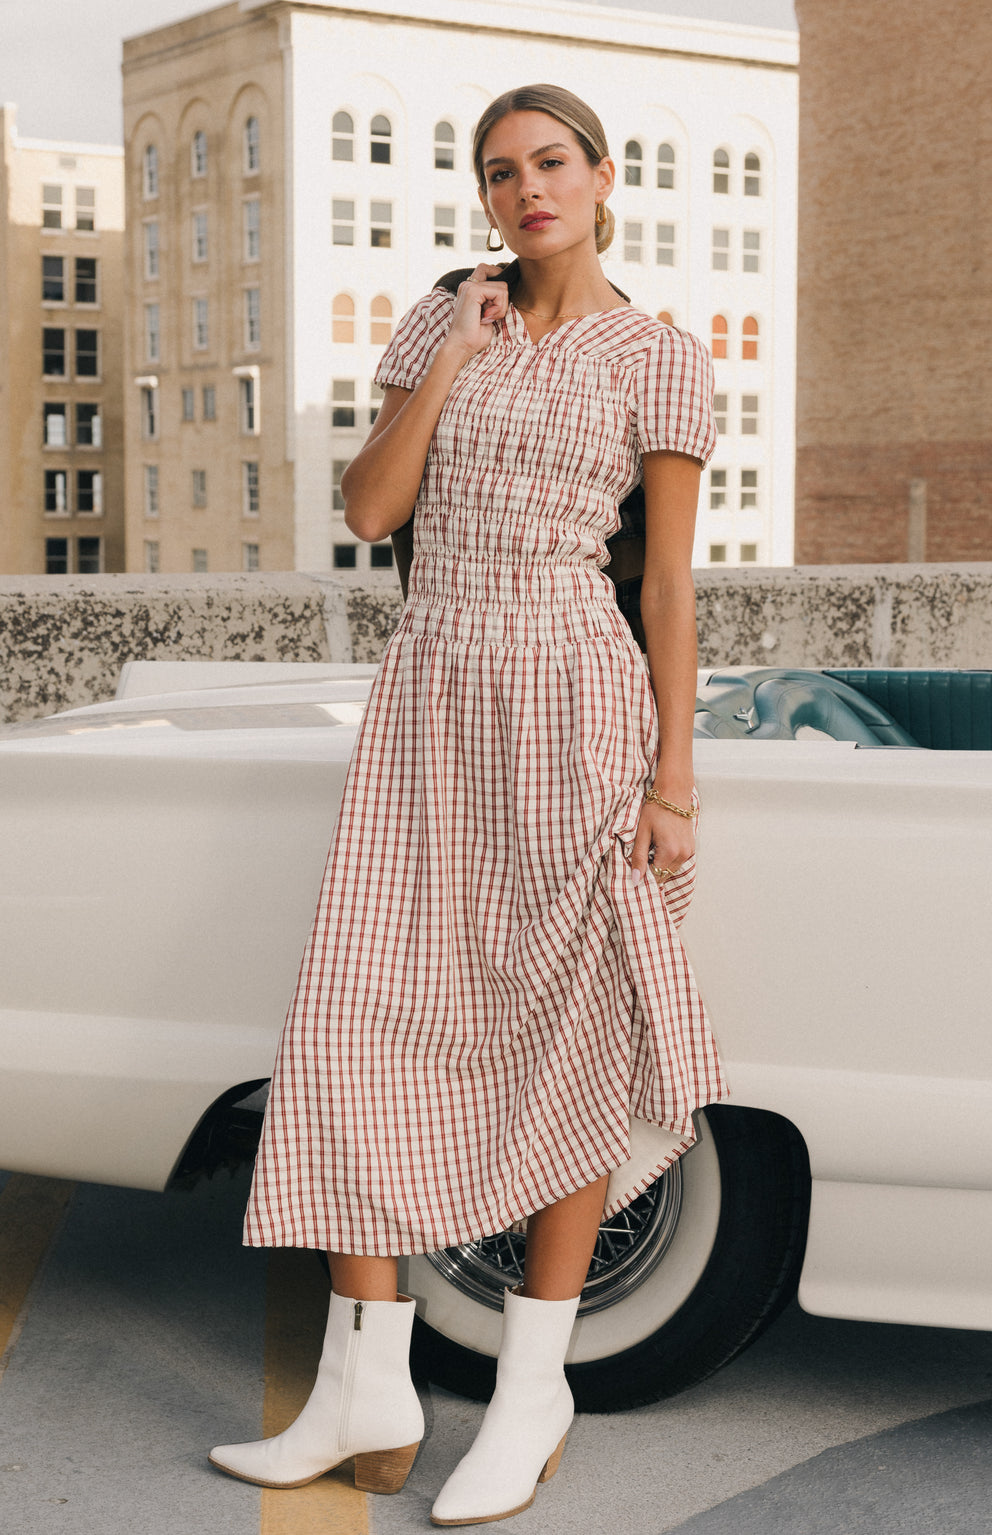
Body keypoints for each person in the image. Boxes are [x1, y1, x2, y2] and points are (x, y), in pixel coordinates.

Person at [209, 83, 726, 1527]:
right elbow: (373, 510)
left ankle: (530, 1389)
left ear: (604, 178)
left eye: (550, 163)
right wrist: (452, 360)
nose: (525, 190)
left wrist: (674, 778)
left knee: (566, 1038)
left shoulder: (661, 356)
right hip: (429, 695)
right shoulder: (446, 314)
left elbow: (668, 584)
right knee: (350, 1021)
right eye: (500, 172)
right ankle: (362, 1388)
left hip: (573, 698)